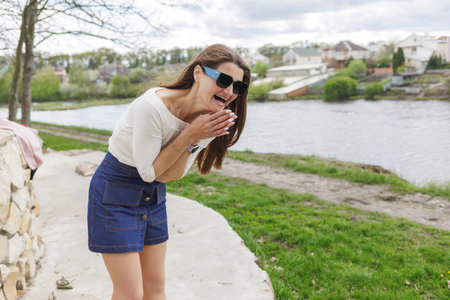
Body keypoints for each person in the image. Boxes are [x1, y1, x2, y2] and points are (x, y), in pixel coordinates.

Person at [87, 44, 250, 300]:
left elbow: (169, 175)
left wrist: (194, 138)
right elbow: (149, 172)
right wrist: (189, 135)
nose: (229, 91)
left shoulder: (210, 119)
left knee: (156, 287)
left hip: (152, 195)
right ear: (198, 73)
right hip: (115, 192)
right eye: (224, 79)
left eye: (237, 86)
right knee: (130, 292)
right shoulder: (152, 107)